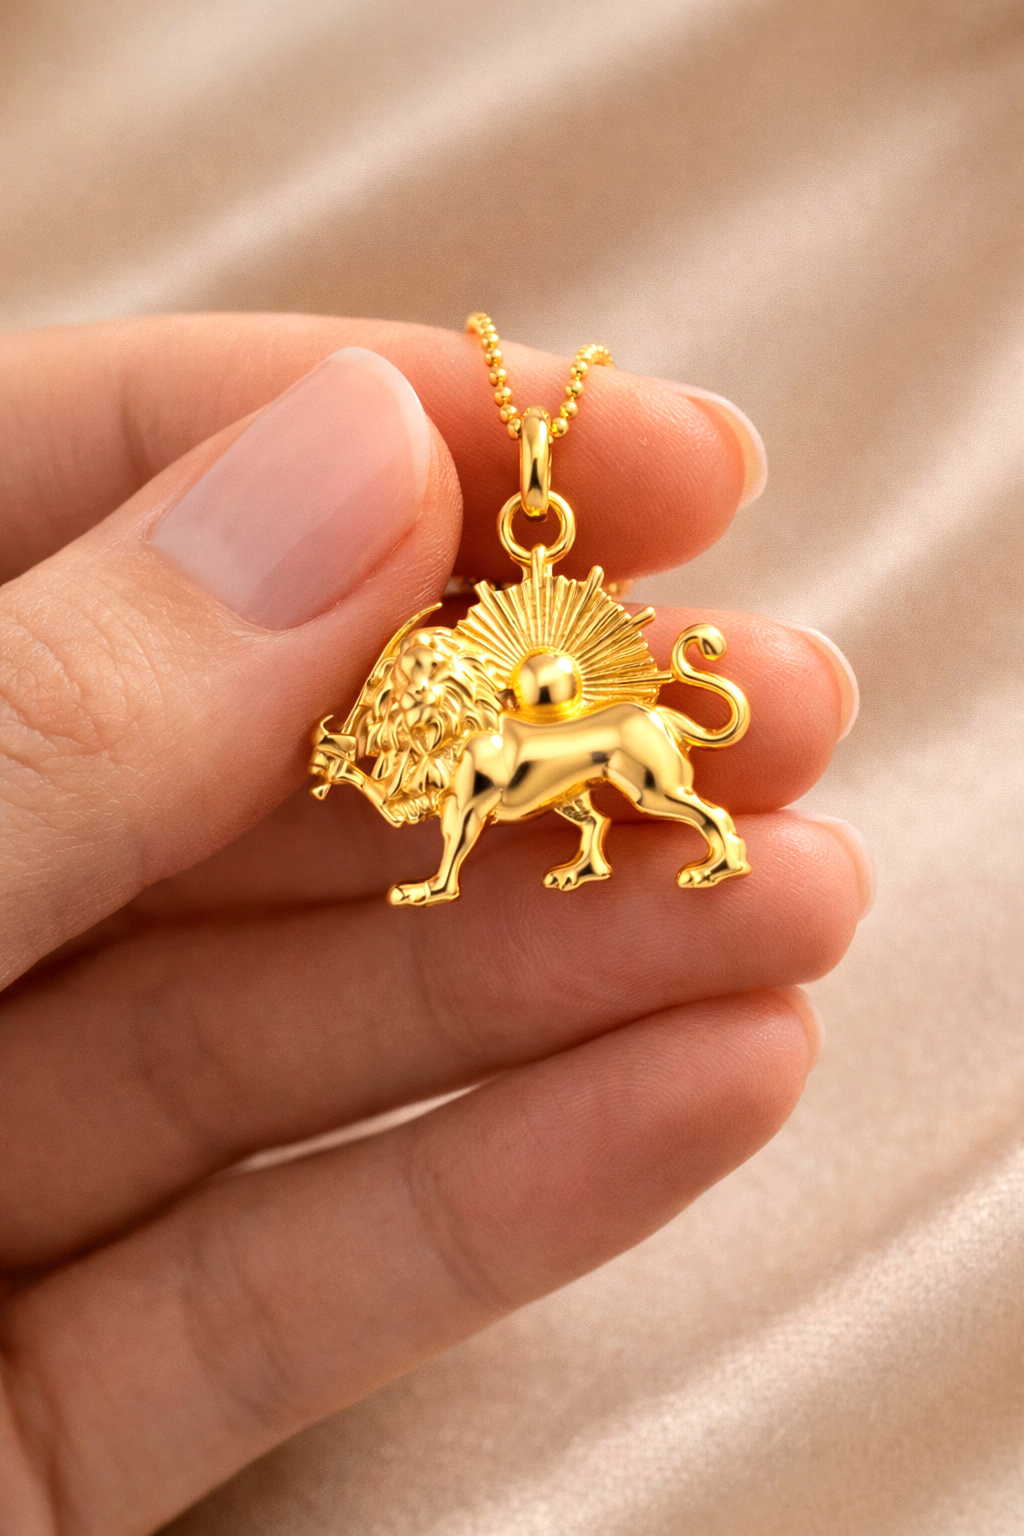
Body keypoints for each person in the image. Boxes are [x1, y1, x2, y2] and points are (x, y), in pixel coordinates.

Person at [0, 313, 871, 1536]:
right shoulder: (490, 718)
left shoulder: (543, 717)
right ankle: (602, 848)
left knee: (655, 805)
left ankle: (712, 842)